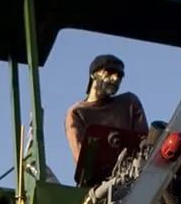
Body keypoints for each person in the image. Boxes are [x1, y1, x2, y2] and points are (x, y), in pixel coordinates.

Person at [64, 54, 150, 190]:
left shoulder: (129, 103)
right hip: (96, 189)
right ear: (93, 74)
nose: (115, 79)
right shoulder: (77, 112)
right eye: (109, 72)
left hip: (133, 182)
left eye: (119, 76)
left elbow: (146, 143)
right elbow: (82, 161)